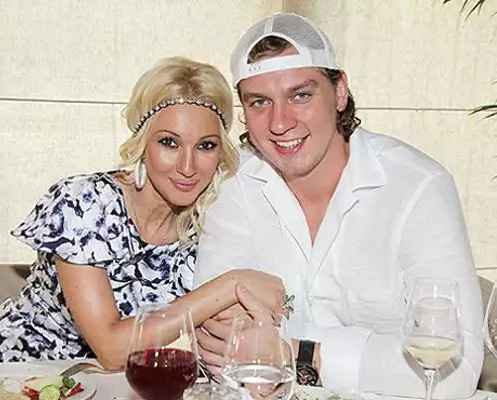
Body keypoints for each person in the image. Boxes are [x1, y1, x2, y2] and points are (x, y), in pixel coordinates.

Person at [193, 13, 484, 398]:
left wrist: (297, 354)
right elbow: (218, 341)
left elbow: (454, 369)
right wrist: (372, 361)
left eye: (300, 95)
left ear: (340, 91)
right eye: (260, 102)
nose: (280, 123)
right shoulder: (232, 185)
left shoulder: (417, 187)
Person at [0, 57, 285, 369]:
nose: (187, 167)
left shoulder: (208, 219)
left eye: (205, 146)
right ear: (143, 142)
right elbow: (112, 349)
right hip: (0, 375)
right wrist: (230, 286)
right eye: (169, 143)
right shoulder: (85, 203)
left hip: (102, 385)